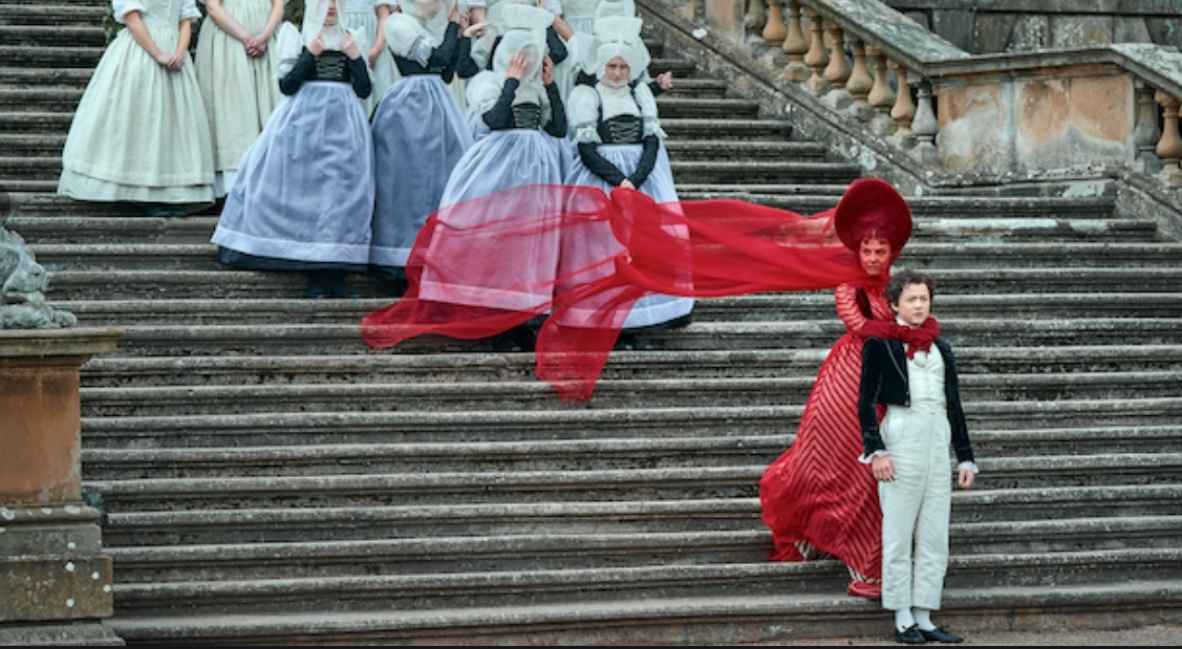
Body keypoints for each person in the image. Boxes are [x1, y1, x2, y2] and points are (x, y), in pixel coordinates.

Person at [759, 178, 937, 600]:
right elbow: (859, 326)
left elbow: (918, 316)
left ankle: (866, 558)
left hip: (891, 381)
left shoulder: (899, 286)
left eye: (881, 251)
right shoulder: (847, 284)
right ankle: (838, 547)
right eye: (867, 251)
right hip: (848, 382)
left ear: (892, 253)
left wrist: (920, 331)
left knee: (875, 473)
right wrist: (910, 332)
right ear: (857, 251)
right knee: (845, 466)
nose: (873, 258)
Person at [211, 0, 376, 298]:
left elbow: (364, 89)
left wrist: (355, 57)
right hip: (304, 122)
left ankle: (334, 274)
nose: (331, 7)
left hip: (344, 124)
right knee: (307, 195)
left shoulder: (353, 36)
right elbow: (287, 85)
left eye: (336, 1)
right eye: (324, 1)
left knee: (339, 197)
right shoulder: (296, 35)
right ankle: (313, 274)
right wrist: (309, 54)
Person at [859, 270, 977, 645]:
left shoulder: (942, 348)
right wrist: (876, 450)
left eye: (924, 299)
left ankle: (925, 615)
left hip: (937, 438)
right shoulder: (880, 344)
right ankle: (902, 617)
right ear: (894, 304)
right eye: (911, 299)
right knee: (898, 533)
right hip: (902, 435)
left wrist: (965, 457)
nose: (918, 305)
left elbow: (954, 405)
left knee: (934, 534)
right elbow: (865, 402)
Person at [563, 13, 692, 331]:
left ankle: (650, 312)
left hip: (642, 177)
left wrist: (636, 179)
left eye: (623, 67)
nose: (618, 73)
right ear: (601, 65)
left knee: (648, 240)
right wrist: (618, 180)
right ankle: (603, 312)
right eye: (612, 66)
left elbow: (651, 141)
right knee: (603, 244)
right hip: (601, 178)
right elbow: (586, 150)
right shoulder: (587, 96)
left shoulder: (640, 94)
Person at [59, 0, 215, 215]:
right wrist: (158, 53)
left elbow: (186, 20)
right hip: (139, 52)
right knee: (133, 118)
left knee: (170, 124)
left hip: (174, 53)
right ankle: (125, 189)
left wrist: (180, 52)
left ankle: (166, 192)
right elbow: (132, 19)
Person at [369, 0, 474, 286]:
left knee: (441, 180)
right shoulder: (397, 23)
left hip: (438, 103)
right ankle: (399, 258)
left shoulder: (424, 27)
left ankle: (438, 256)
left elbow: (447, 72)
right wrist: (452, 25)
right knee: (407, 182)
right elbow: (436, 58)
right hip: (410, 105)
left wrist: (461, 35)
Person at [194, 0, 286, 197]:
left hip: (267, 38)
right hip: (228, 38)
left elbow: (278, 5)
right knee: (233, 108)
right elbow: (213, 7)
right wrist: (246, 37)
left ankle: (271, 180)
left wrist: (264, 36)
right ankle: (233, 184)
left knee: (271, 107)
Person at [339, 0, 400, 115]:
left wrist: (376, 49)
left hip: (372, 40)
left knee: (378, 93)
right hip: (342, 39)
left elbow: (384, 16)